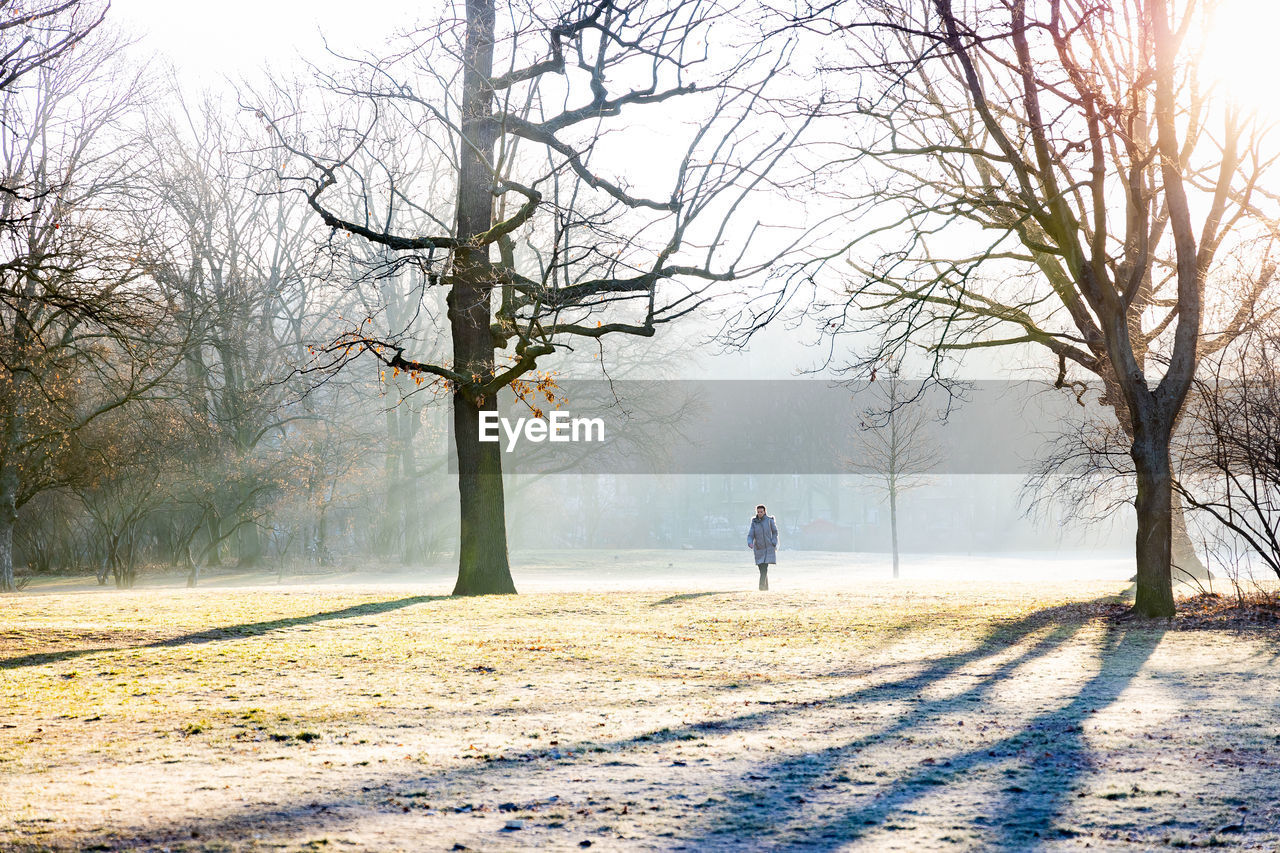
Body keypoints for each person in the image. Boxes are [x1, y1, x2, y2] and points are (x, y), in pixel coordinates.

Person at [747, 504, 778, 591]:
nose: (760, 513)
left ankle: (761, 587)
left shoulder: (769, 521)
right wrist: (750, 543)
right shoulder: (754, 522)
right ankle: (766, 588)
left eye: (761, 512)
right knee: (761, 569)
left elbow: (775, 532)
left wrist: (774, 541)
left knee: (764, 568)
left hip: (768, 548)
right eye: (758, 512)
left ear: (764, 512)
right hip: (759, 549)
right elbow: (750, 534)